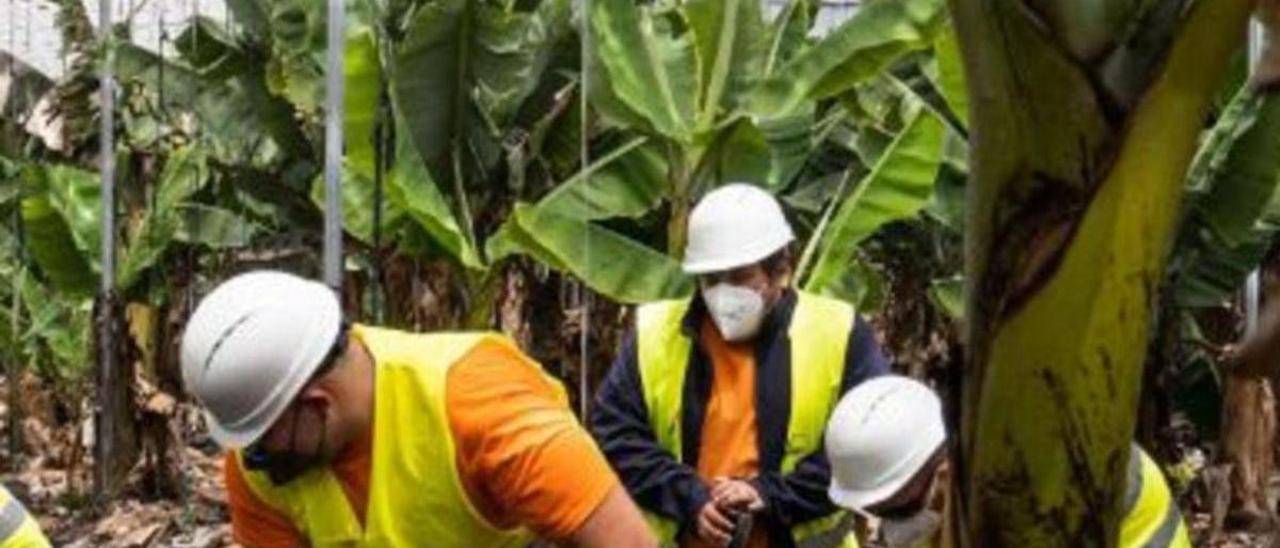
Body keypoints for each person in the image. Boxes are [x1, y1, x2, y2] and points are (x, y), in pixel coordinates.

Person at [180, 270, 655, 547]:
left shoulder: (479, 402)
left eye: (265, 438)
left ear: (316, 403)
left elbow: (625, 542)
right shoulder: (257, 460)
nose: (254, 457)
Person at [591, 183, 890, 547]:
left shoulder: (839, 333)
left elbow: (870, 448)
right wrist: (690, 499)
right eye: (711, 279)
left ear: (780, 270)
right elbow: (615, 435)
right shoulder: (655, 333)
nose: (722, 293)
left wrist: (770, 496)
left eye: (739, 277)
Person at [824, 376, 1191, 548]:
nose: (887, 527)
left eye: (900, 509)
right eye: (876, 511)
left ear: (943, 469)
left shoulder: (1053, 476)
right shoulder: (954, 494)